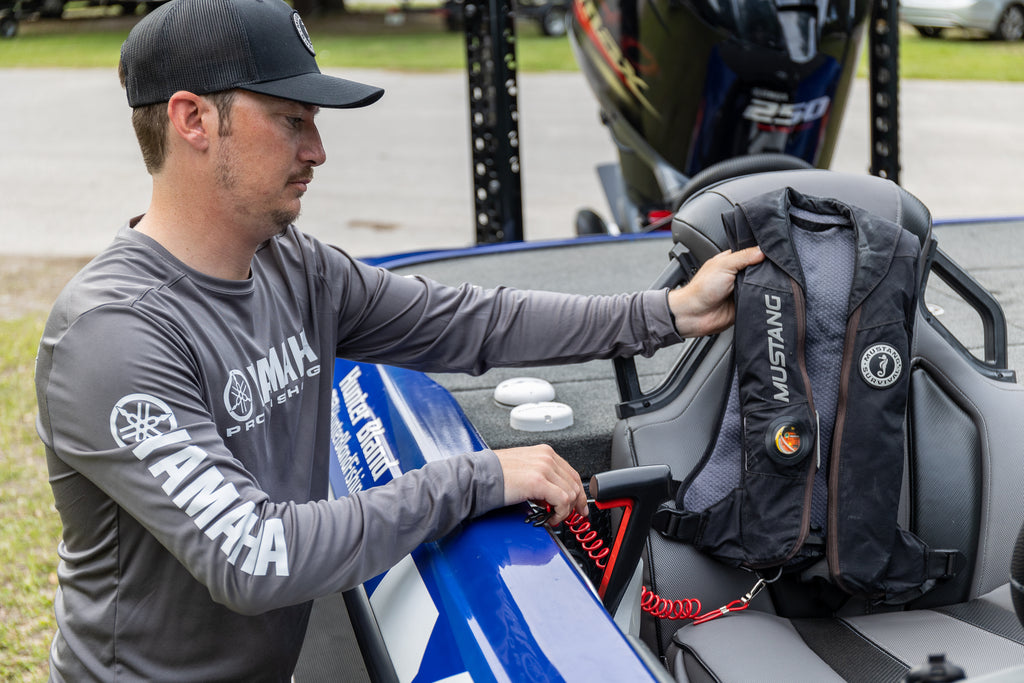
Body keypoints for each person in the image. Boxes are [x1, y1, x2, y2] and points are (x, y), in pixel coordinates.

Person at [33, 0, 764, 679]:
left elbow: (470, 320)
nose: (317, 149)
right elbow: (256, 556)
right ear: (193, 119)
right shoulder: (113, 335)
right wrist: (481, 475)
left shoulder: (292, 266)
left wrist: (668, 313)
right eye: (291, 119)